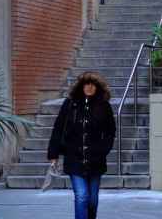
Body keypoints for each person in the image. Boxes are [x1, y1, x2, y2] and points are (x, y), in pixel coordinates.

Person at [48, 72, 116, 219]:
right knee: (82, 196)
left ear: (98, 87)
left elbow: (110, 131)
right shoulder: (70, 104)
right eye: (86, 84)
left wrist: (104, 149)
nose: (89, 87)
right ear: (81, 86)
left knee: (92, 199)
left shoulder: (104, 106)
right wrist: (53, 154)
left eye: (93, 84)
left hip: (96, 159)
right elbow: (58, 128)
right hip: (74, 158)